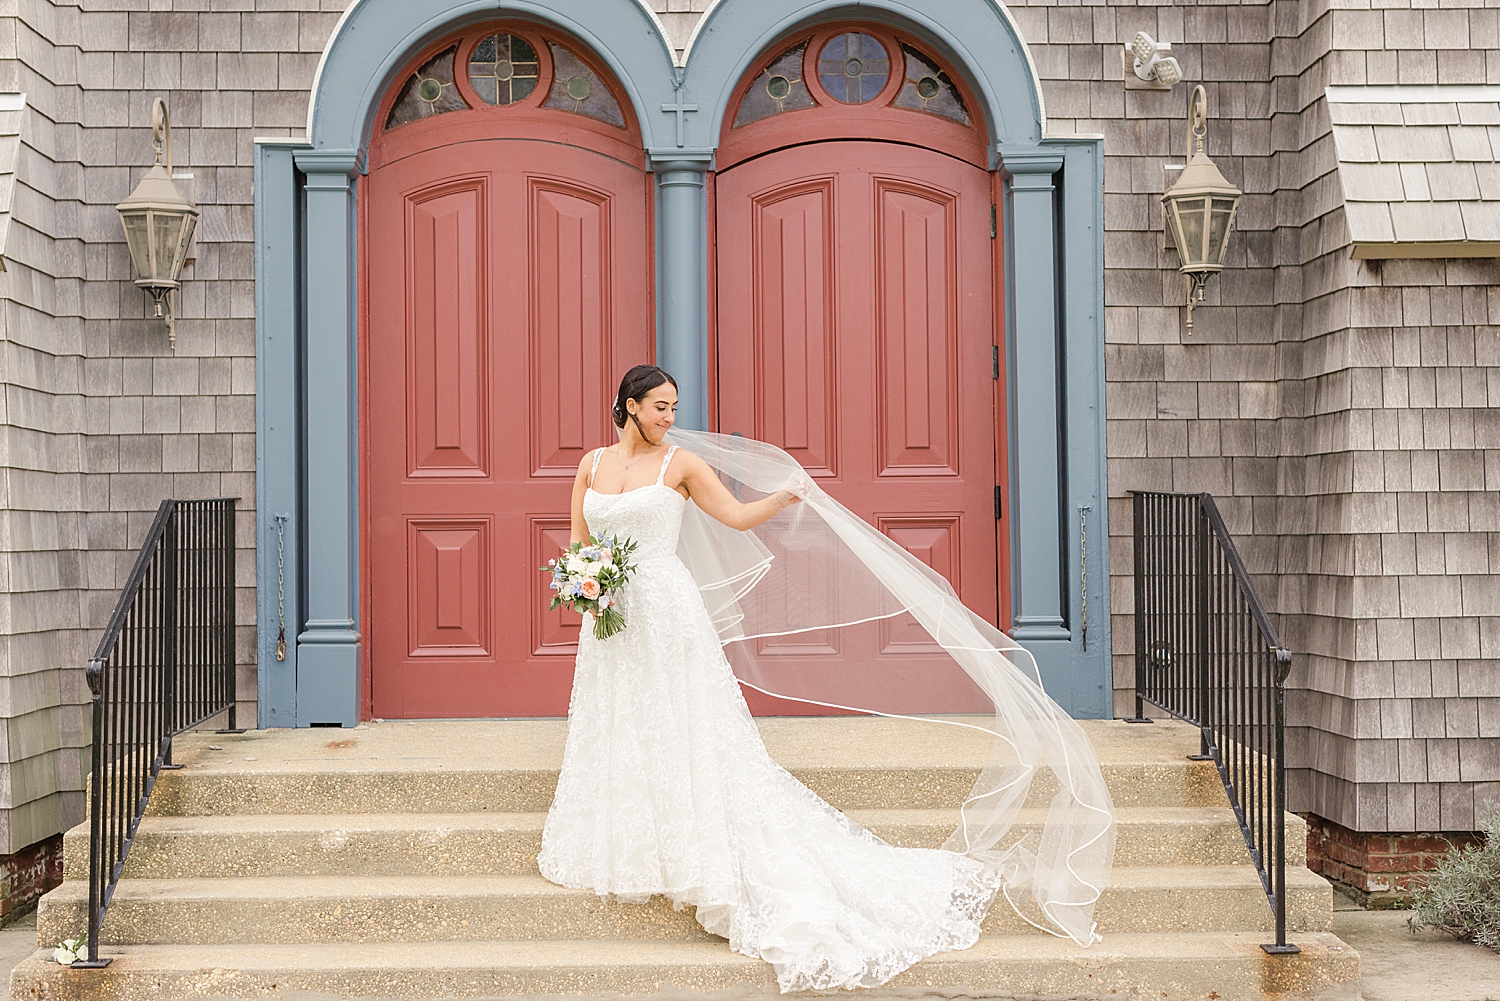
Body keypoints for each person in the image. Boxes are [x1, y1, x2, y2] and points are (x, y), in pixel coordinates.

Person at [538, 364, 1111, 992]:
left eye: (674, 406)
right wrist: (582, 584)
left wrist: (782, 498)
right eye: (659, 407)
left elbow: (731, 517)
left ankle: (694, 842)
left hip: (669, 612)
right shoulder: (590, 466)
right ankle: (625, 835)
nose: (670, 417)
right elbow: (577, 541)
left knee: (682, 724)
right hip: (612, 618)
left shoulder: (681, 464)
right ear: (628, 406)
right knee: (618, 720)